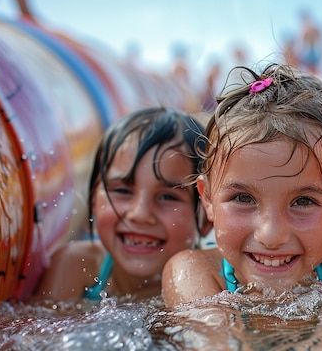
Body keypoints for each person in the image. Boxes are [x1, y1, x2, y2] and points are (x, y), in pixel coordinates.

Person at [161, 63, 322, 307]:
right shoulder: (192, 272)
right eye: (243, 198)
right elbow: (213, 345)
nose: (271, 235)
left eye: (303, 201)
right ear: (208, 199)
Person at [35, 107, 211, 301]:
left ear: (207, 217)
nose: (140, 214)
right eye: (122, 191)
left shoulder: (211, 282)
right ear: (93, 202)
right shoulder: (76, 267)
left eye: (168, 197)